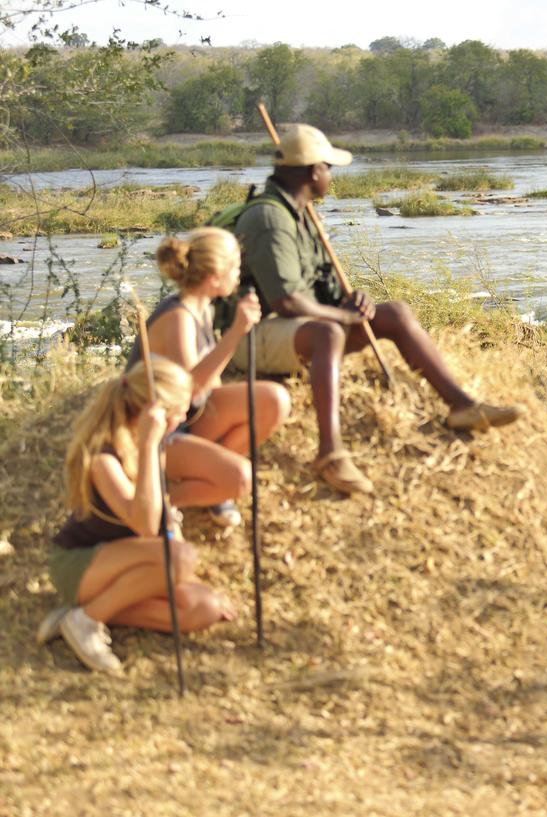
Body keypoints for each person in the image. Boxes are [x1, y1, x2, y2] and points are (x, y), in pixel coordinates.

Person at [225, 123, 521, 495]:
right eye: (328, 169)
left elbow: (322, 290)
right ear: (313, 171)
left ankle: (462, 405)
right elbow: (286, 302)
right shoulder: (270, 218)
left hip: (296, 327)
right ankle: (330, 455)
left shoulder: (301, 215)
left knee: (393, 313)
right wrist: (343, 317)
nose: (330, 177)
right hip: (250, 333)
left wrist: (352, 301)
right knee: (328, 332)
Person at [38, 357, 235, 674]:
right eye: (180, 409)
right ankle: (85, 620)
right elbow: (143, 524)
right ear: (154, 412)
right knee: (181, 559)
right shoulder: (106, 456)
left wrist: (190, 581)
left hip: (128, 564)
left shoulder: (147, 448)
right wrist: (148, 445)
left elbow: (163, 524)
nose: (185, 416)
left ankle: (82, 612)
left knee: (203, 608)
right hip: (80, 564)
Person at [127, 227, 291, 527]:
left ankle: (210, 481)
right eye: (236, 266)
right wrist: (237, 332)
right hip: (155, 435)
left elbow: (208, 389)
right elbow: (190, 389)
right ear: (215, 276)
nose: (240, 273)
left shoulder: (202, 308)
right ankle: (165, 500)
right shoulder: (178, 318)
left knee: (273, 400)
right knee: (240, 479)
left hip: (186, 419)